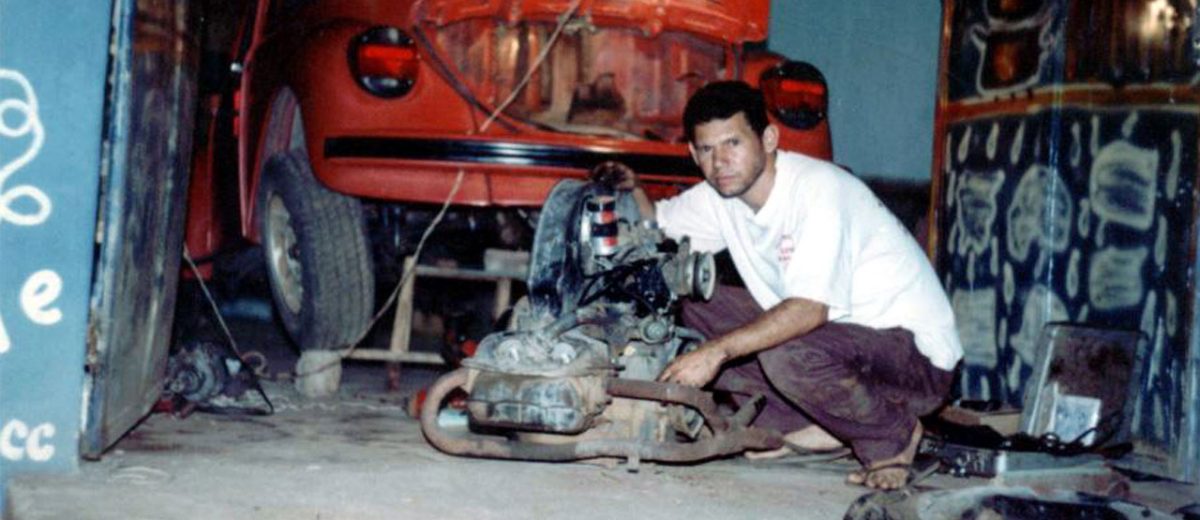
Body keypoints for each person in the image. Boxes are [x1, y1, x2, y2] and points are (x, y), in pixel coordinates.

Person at [592, 81, 962, 490]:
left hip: (914, 359)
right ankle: (810, 427)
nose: (721, 162)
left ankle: (891, 436)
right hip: (840, 343)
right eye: (708, 149)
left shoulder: (817, 189)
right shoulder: (721, 196)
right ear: (694, 155)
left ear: (768, 139)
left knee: (784, 353)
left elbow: (809, 310)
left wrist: (716, 352)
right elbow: (656, 230)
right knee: (690, 305)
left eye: (733, 143)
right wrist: (632, 190)